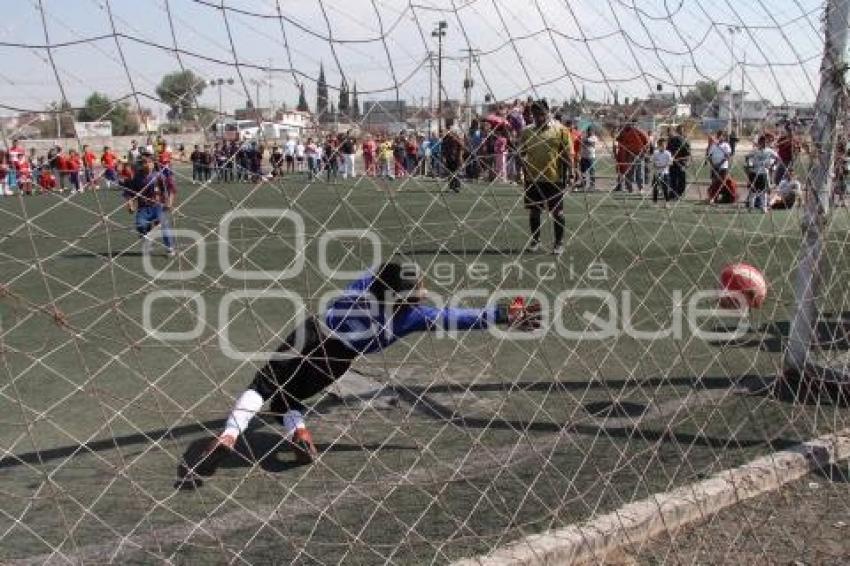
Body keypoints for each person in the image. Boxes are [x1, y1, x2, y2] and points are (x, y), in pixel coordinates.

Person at [176, 261, 541, 487]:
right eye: (417, 288)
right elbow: (458, 318)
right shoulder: (412, 317)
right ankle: (299, 431)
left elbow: (382, 272)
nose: (422, 291)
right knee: (290, 398)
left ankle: (228, 436)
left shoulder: (365, 287)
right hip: (339, 359)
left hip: (314, 332)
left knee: (265, 384)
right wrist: (502, 314)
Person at [518, 99, 573, 256]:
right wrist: (522, 170)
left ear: (548, 112)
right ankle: (535, 240)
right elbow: (521, 153)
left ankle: (559, 243)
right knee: (534, 212)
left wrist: (572, 172)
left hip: (554, 178)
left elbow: (567, 153)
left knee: (557, 213)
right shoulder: (527, 131)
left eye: (542, 114)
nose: (539, 117)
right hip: (533, 179)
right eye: (535, 115)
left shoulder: (560, 130)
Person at [121, 154, 175, 256]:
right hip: (143, 208)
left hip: (158, 207)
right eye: (145, 162)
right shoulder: (136, 178)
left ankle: (170, 247)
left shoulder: (160, 176)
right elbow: (128, 193)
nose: (148, 165)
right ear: (142, 164)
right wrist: (130, 205)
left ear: (154, 163)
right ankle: (148, 242)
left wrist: (170, 203)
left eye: (150, 162)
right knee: (140, 225)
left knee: (164, 225)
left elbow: (171, 189)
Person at [746, 135, 779, 212]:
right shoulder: (755, 151)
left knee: (764, 191)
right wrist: (749, 164)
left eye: (764, 141)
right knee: (753, 191)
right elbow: (747, 157)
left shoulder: (769, 151)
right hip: (754, 172)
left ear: (766, 142)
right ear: (759, 142)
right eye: (761, 141)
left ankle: (763, 208)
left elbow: (777, 158)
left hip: (764, 173)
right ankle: (751, 207)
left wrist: (772, 165)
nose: (763, 143)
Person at [615, 121, 649, 193]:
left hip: (638, 154)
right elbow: (618, 139)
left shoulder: (640, 132)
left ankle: (640, 188)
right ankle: (630, 188)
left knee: (639, 171)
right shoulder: (624, 132)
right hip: (629, 154)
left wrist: (644, 151)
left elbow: (647, 141)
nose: (627, 125)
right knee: (629, 172)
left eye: (629, 124)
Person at [666, 125, 691, 199]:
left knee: (681, 179)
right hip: (673, 163)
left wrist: (687, 162)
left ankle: (679, 194)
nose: (681, 132)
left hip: (681, 162)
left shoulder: (683, 140)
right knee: (672, 178)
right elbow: (668, 151)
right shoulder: (671, 141)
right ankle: (673, 193)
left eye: (682, 131)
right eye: (679, 130)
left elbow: (688, 153)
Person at [441, 119, 465, 193]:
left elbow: (462, 146)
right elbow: (443, 148)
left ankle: (457, 187)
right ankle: (451, 187)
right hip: (449, 157)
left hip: (456, 157)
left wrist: (460, 156)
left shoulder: (457, 138)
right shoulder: (445, 139)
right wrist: (443, 157)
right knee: (450, 172)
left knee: (456, 172)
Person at [651, 138, 673, 205]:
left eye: (664, 145)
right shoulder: (655, 153)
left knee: (665, 188)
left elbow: (671, 163)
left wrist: (664, 166)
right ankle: (655, 202)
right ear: (658, 145)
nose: (663, 146)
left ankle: (667, 202)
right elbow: (653, 162)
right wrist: (655, 166)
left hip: (665, 173)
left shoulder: (668, 153)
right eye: (661, 145)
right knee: (655, 188)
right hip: (657, 173)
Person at [579, 126, 598, 191]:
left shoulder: (594, 137)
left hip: (591, 157)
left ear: (593, 131)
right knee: (582, 171)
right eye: (589, 131)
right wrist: (584, 140)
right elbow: (582, 142)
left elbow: (590, 142)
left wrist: (584, 140)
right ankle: (583, 184)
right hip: (583, 156)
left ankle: (592, 185)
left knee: (591, 171)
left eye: (591, 131)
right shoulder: (584, 137)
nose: (590, 132)